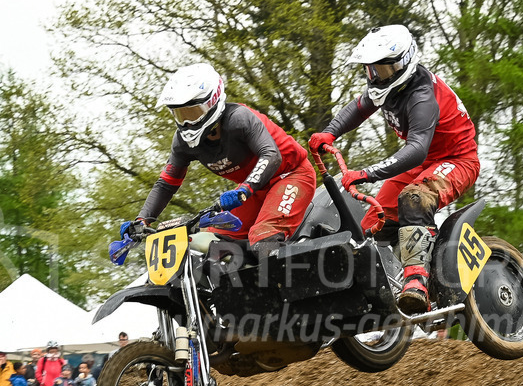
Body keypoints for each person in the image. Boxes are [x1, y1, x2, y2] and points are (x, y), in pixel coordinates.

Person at [308, 25, 480, 315]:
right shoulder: (388, 89)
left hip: (457, 159)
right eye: (372, 70)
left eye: (385, 69)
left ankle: (417, 283)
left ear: (406, 61)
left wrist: (367, 173)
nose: (378, 76)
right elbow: (359, 107)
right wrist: (330, 132)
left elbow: (417, 149)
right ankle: (377, 291)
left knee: (414, 198)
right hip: (424, 163)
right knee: (371, 226)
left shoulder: (421, 95)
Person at [119, 63, 316, 252]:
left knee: (264, 237)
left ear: (212, 102)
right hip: (254, 190)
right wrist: (142, 221)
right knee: (208, 242)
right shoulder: (182, 143)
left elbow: (271, 155)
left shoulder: (239, 119)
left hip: (291, 176)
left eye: (192, 112)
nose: (187, 123)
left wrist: (245, 189)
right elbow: (166, 184)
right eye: (180, 115)